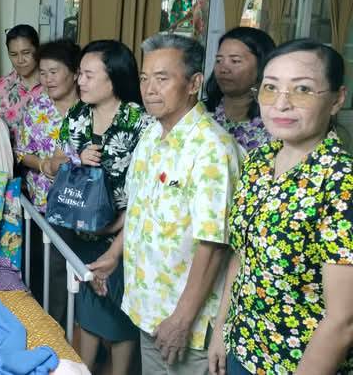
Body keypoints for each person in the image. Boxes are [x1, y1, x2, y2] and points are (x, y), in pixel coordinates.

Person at [208, 39, 353, 375]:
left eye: (302, 90)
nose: (281, 104)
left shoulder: (341, 182)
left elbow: (343, 320)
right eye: (271, 88)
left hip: (297, 363)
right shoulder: (258, 161)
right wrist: (222, 330)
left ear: (337, 100)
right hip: (242, 347)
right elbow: (242, 255)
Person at [121, 33, 241, 375]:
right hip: (148, 307)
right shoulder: (151, 134)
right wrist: (113, 255)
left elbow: (214, 244)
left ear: (194, 84)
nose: (149, 89)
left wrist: (182, 319)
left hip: (185, 321)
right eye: (145, 78)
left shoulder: (212, 148)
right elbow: (140, 209)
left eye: (162, 78)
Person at [59, 39, 152, 375]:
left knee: (118, 317)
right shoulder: (77, 116)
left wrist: (117, 225)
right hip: (82, 230)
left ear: (113, 79)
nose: (79, 81)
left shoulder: (140, 121)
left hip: (124, 234)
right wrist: (76, 159)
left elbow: (149, 188)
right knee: (89, 309)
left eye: (88, 75)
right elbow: (61, 165)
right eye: (79, 73)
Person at [17, 39, 81, 212]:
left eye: (53, 72)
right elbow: (22, 153)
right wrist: (43, 165)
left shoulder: (89, 107)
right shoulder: (36, 108)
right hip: (45, 202)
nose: (47, 80)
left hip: (84, 201)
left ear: (75, 73)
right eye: (43, 73)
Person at [204, 27, 276, 151]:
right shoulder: (202, 114)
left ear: (262, 66)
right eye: (219, 60)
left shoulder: (275, 125)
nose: (223, 69)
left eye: (235, 61)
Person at [0, 24, 43, 150]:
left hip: (47, 159)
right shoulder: (2, 87)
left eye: (26, 53)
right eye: (13, 54)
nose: (20, 60)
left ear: (38, 50)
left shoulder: (53, 84)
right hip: (8, 158)